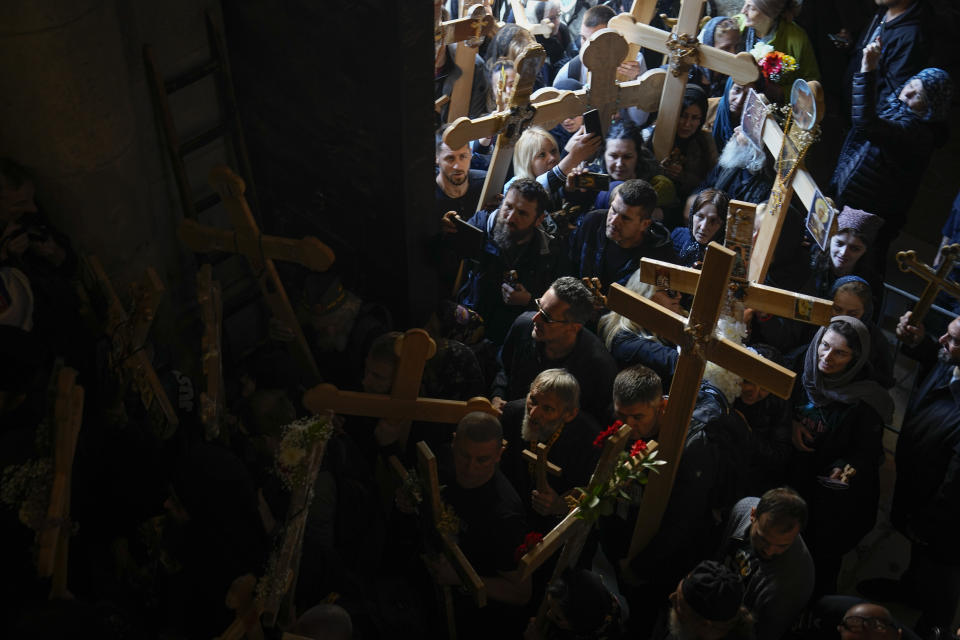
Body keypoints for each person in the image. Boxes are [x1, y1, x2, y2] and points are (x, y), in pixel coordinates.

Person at [858, 312, 960, 636]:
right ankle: (911, 589)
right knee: (920, 560)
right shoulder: (951, 363)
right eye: (947, 333)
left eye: (954, 340)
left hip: (946, 523)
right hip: (923, 498)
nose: (944, 340)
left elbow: (957, 486)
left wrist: (928, 524)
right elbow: (937, 356)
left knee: (942, 578)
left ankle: (933, 626)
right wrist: (918, 341)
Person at [789, 317, 894, 598]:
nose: (827, 357)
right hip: (792, 472)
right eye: (824, 346)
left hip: (827, 496)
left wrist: (842, 468)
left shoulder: (866, 400)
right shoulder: (801, 366)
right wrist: (789, 423)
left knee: (819, 556)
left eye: (840, 353)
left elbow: (866, 452)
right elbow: (777, 401)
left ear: (856, 359)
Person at [831, 44, 952, 269]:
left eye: (919, 95)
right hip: (853, 198)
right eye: (911, 85)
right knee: (833, 255)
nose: (907, 93)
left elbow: (867, 125)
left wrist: (868, 69)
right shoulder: (900, 108)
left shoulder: (918, 133)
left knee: (855, 262)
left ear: (930, 106)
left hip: (868, 210)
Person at [419, 412, 531, 638]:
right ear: (454, 443)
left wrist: (460, 577)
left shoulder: (505, 516)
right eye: (463, 455)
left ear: (499, 454)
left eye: (482, 460)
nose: (470, 468)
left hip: (478, 617)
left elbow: (520, 593)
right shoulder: (442, 460)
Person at [444, 178, 568, 345]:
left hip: (513, 335)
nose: (510, 218)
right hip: (471, 321)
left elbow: (557, 308)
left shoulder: (548, 251)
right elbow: (442, 260)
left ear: (539, 219)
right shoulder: (479, 226)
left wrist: (528, 301)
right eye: (508, 207)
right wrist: (445, 234)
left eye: (522, 213)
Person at [492, 277, 617, 421]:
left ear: (574, 327)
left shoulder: (598, 366)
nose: (535, 319)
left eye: (546, 317)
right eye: (539, 306)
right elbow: (503, 368)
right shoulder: (523, 326)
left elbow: (593, 421)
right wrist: (497, 395)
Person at [499, 368, 600, 532]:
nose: (533, 413)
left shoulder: (589, 440)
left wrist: (560, 505)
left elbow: (590, 491)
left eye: (547, 409)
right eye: (533, 400)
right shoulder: (512, 414)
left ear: (569, 414)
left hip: (557, 527)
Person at [715, 488, 815, 640]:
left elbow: (760, 634)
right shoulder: (743, 508)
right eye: (763, 539)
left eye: (783, 545)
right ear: (753, 515)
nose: (769, 551)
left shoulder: (795, 581)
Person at [570, 179, 676, 293]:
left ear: (644, 224)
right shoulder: (593, 222)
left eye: (625, 218)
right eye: (613, 210)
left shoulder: (661, 258)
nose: (614, 221)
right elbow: (570, 265)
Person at [553, 4, 650, 127]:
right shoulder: (571, 71)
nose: (585, 48)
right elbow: (554, 122)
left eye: (594, 41)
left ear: (613, 40)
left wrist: (636, 81)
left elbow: (639, 120)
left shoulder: (633, 62)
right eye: (583, 38)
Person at [842, 0, 928, 115]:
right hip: (852, 108)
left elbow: (891, 97)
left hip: (865, 118)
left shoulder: (911, 36)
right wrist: (852, 43)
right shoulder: (882, 13)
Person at [597, 270, 681, 388]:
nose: (679, 296)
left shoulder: (663, 327)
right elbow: (678, 363)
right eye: (670, 292)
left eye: (679, 291)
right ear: (646, 295)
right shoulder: (626, 341)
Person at [651, 85, 719, 220]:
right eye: (683, 116)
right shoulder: (657, 135)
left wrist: (683, 177)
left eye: (694, 118)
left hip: (687, 207)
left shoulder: (705, 142)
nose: (687, 124)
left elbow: (711, 182)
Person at [735, 344, 793, 495]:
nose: (754, 393)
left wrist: (746, 433)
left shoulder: (779, 402)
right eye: (748, 382)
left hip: (754, 482)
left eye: (764, 388)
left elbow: (779, 456)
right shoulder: (725, 391)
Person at [651, 560, 754, 640]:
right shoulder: (686, 626)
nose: (671, 597)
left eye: (680, 605)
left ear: (705, 625)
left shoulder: (685, 627)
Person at [736, 0, 820, 86]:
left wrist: (782, 93)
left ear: (769, 13)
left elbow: (811, 82)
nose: (743, 11)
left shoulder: (797, 38)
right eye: (745, 4)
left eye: (752, 8)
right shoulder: (736, 26)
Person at [671, 189, 729, 269]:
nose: (703, 227)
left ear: (723, 225)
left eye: (713, 221)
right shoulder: (677, 236)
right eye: (700, 216)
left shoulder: (725, 255)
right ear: (692, 215)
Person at [691, 17, 745, 98]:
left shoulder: (731, 79)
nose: (733, 54)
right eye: (726, 48)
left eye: (736, 46)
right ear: (709, 45)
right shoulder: (685, 73)